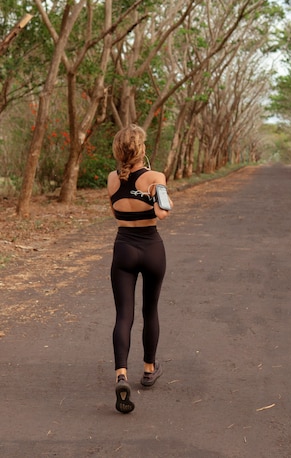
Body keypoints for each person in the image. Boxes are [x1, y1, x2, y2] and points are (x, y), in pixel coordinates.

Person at [107, 124, 172, 414]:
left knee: (124, 314)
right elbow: (163, 212)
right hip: (151, 248)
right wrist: (156, 193)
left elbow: (115, 211)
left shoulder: (111, 179)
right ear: (141, 149)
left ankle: (121, 374)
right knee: (150, 310)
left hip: (124, 248)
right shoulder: (155, 177)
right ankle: (148, 369)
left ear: (119, 151)